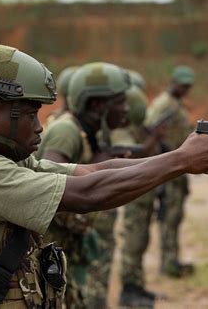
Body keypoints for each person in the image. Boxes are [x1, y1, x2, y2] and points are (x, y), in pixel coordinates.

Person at [0, 44, 208, 309]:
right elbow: (89, 194)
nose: (39, 126)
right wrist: (180, 160)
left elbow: (93, 171)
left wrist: (181, 156)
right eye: (30, 115)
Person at [36, 61, 130, 309]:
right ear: (98, 105)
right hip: (50, 249)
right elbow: (49, 187)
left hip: (66, 248)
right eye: (120, 102)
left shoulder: (87, 132)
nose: (126, 108)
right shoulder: (66, 131)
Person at [112, 83, 167, 308]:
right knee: (133, 243)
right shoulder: (122, 132)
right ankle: (129, 290)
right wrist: (154, 137)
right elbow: (136, 155)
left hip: (143, 196)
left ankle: (137, 285)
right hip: (134, 197)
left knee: (141, 241)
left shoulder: (136, 128)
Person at [145, 65, 196, 278]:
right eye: (182, 85)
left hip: (177, 164)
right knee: (169, 214)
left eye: (188, 86)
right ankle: (168, 262)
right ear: (173, 82)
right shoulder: (164, 103)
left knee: (175, 215)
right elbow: (149, 127)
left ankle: (172, 259)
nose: (185, 89)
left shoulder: (175, 103)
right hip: (170, 164)